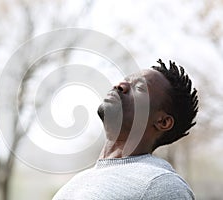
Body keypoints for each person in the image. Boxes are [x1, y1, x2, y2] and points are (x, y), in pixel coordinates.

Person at [52, 59, 198, 200]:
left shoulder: (162, 185)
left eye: (140, 88)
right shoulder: (75, 184)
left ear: (163, 122)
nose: (120, 85)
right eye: (126, 80)